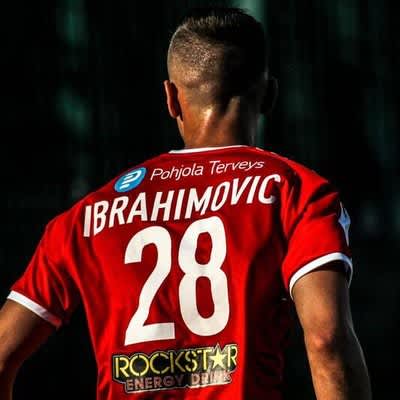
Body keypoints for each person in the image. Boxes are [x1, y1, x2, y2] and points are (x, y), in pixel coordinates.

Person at [0, 6, 372, 400]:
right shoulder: (297, 193)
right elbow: (326, 340)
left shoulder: (88, 215)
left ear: (171, 99)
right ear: (269, 95)